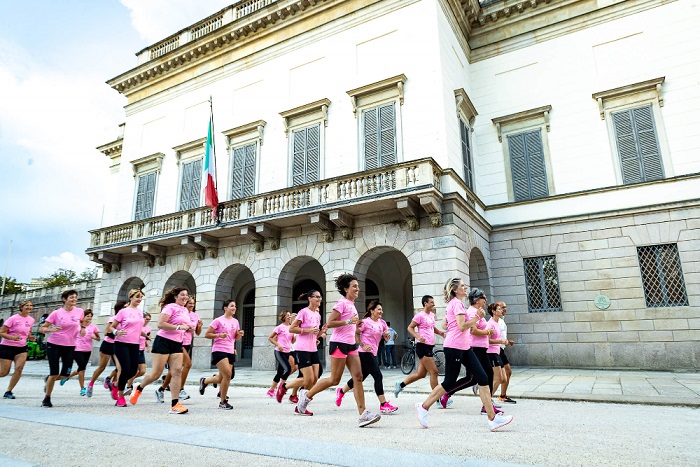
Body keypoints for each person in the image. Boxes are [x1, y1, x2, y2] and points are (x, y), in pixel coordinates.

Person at [414, 280, 513, 431]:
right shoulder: (457, 303)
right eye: (462, 286)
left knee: (483, 377)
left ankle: (492, 418)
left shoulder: (457, 304)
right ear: (455, 289)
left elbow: (449, 324)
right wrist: (477, 318)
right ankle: (423, 406)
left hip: (465, 348)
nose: (464, 287)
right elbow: (462, 326)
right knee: (448, 383)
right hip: (454, 347)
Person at [296, 274, 381, 427]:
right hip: (338, 344)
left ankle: (363, 414)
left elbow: (351, 325)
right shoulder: (341, 303)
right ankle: (307, 396)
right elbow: (330, 323)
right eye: (354, 286)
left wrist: (357, 325)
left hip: (350, 345)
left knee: (358, 376)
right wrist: (348, 321)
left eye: (357, 286)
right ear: (346, 288)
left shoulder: (352, 304)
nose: (357, 289)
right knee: (334, 379)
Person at [129, 287, 191, 414]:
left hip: (177, 343)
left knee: (177, 372)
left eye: (187, 295)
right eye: (182, 295)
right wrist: (179, 326)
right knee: (156, 374)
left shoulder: (185, 310)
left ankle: (175, 404)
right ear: (175, 296)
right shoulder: (170, 307)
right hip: (163, 341)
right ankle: (139, 388)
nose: (185, 297)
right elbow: (161, 324)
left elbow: (183, 325)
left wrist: (189, 328)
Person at [335, 300, 397, 414]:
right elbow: (355, 333)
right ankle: (383, 404)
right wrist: (363, 345)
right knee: (378, 375)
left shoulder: (382, 322)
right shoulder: (365, 322)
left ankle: (341, 391)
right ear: (372, 311)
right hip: (364, 352)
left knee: (361, 377)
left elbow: (386, 334)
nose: (381, 311)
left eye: (381, 309)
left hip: (373, 352)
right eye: (378, 309)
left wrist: (386, 336)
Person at [39, 289, 85, 408]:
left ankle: (49, 380)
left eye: (75, 297)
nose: (74, 299)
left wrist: (83, 329)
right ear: (64, 299)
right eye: (71, 297)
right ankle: (47, 398)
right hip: (54, 345)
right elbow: (42, 328)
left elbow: (81, 324)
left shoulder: (80, 311)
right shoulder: (56, 313)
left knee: (66, 374)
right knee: (54, 372)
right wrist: (51, 329)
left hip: (70, 346)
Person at [394, 295, 446, 398]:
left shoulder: (432, 315)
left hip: (430, 346)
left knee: (421, 374)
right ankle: (437, 399)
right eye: (431, 302)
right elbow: (410, 327)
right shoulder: (419, 316)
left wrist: (440, 333)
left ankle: (400, 385)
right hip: (422, 346)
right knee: (434, 372)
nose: (433, 304)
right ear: (425, 303)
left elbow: (432, 327)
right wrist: (418, 337)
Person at [198, 299, 243, 410]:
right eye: (232, 306)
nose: (234, 308)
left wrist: (239, 334)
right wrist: (218, 335)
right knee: (227, 374)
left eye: (235, 306)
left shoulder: (235, 321)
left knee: (222, 377)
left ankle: (205, 381)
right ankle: (222, 402)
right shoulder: (218, 321)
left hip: (230, 350)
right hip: (219, 350)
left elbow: (235, 337)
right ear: (225, 308)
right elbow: (207, 334)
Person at [157, 296, 201, 402]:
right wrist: (183, 328)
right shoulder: (180, 313)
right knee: (188, 364)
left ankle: (161, 389)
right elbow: (175, 325)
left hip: (187, 343)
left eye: (193, 303)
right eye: (189, 303)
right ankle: (181, 389)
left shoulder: (195, 315)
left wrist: (198, 326)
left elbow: (198, 333)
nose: (191, 305)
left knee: (174, 371)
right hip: (178, 342)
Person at [110, 289, 146, 407]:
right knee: (125, 369)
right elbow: (111, 327)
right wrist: (116, 332)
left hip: (135, 344)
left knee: (133, 371)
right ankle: (120, 397)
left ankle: (115, 385)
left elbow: (137, 327)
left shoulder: (140, 312)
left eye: (141, 297)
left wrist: (144, 336)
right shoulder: (123, 312)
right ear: (130, 297)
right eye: (137, 297)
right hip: (121, 343)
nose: (139, 299)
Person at [86, 301, 125, 398]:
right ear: (120, 309)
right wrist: (117, 333)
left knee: (119, 368)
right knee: (102, 367)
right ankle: (91, 384)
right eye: (125, 307)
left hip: (118, 345)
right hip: (108, 344)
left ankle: (114, 388)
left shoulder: (125, 320)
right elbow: (106, 332)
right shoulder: (113, 318)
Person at [0, 300, 36, 399]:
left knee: (19, 369)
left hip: (21, 347)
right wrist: (12, 338)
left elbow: (28, 331)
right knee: (3, 373)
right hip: (7, 347)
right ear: (21, 307)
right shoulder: (13, 318)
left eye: (30, 305)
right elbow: (1, 332)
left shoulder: (31, 319)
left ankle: (8, 391)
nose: (29, 307)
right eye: (26, 305)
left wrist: (30, 337)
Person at [60, 310, 100, 395]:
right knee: (82, 368)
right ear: (83, 317)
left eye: (90, 316)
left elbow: (98, 338)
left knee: (80, 369)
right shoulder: (77, 326)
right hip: (77, 349)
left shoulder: (93, 327)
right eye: (87, 316)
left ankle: (67, 376)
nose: (89, 318)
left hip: (87, 350)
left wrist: (94, 337)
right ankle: (82, 389)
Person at [267, 310, 296, 402]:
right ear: (284, 317)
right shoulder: (280, 327)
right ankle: (281, 388)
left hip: (287, 351)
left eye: (289, 315)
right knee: (287, 369)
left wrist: (294, 338)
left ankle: (271, 390)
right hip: (279, 352)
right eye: (287, 315)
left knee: (280, 372)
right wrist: (278, 345)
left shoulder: (291, 328)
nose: (289, 317)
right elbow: (270, 338)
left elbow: (292, 342)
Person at [486, 302, 510, 409]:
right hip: (491, 353)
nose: (501, 311)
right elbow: (487, 341)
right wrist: (501, 341)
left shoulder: (497, 323)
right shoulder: (490, 324)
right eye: (499, 309)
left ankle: (488, 398)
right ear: (493, 311)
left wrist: (504, 342)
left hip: (497, 352)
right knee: (498, 379)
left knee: (503, 378)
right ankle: (487, 402)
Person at [125, 312, 152, 396]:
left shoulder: (148, 328)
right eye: (146, 319)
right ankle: (128, 386)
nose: (147, 321)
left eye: (149, 319)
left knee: (142, 371)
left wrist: (147, 345)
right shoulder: (137, 326)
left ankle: (127, 380)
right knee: (135, 370)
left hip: (141, 350)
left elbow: (145, 338)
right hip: (134, 349)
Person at [496, 302, 516, 404]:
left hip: (501, 349)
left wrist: (507, 341)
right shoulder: (495, 321)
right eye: (502, 307)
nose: (505, 309)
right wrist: (505, 342)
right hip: (496, 350)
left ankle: (502, 396)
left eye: (505, 307)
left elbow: (501, 336)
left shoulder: (501, 320)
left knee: (506, 373)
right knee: (501, 376)